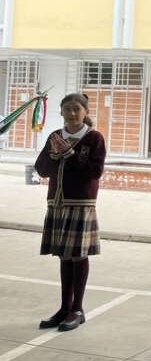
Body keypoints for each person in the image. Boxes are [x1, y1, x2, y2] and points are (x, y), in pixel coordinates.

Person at [35, 93, 106, 331]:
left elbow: (94, 172)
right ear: (61, 112)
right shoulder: (55, 136)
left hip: (81, 203)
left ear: (85, 111)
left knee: (78, 255)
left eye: (77, 109)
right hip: (57, 203)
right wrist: (54, 156)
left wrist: (70, 155)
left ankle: (77, 309)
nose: (72, 114)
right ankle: (64, 308)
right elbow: (41, 169)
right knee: (64, 255)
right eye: (67, 109)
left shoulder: (94, 138)